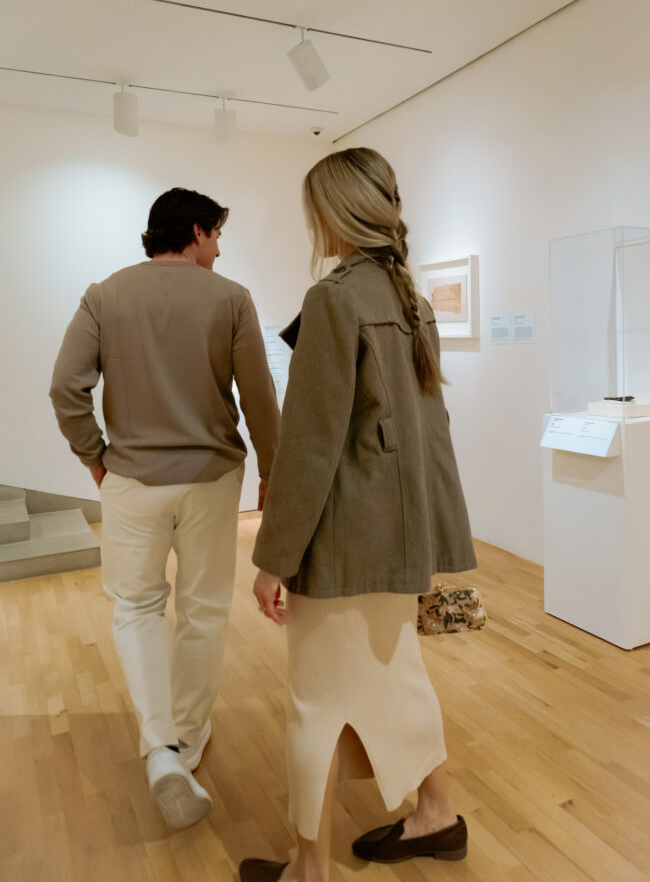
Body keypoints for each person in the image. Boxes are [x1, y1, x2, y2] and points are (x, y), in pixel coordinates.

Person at [241, 149, 476, 882]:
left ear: (334, 213)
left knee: (315, 702)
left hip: (343, 544)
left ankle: (308, 869)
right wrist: (437, 542)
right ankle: (435, 812)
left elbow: (310, 448)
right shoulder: (410, 300)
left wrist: (272, 559)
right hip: (397, 539)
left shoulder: (335, 301)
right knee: (394, 676)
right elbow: (432, 434)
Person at [50, 187, 280, 830]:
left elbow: (65, 386)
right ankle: (188, 737)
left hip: (131, 480)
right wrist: (272, 474)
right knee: (203, 612)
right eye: (217, 237)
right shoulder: (231, 297)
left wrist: (95, 456)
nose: (220, 249)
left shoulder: (105, 293)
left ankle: (159, 751)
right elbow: (260, 399)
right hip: (211, 481)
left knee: (136, 609)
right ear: (198, 232)